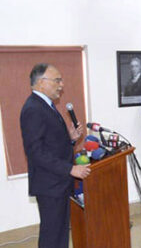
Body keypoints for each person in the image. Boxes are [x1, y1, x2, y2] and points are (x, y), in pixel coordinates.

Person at [20, 63, 89, 248]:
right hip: (50, 185)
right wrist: (70, 168)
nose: (61, 84)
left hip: (57, 183)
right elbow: (35, 152)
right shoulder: (33, 108)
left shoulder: (46, 105)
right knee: (52, 237)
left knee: (59, 235)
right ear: (42, 82)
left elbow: (51, 146)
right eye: (57, 80)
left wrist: (71, 140)